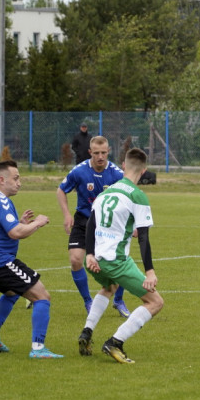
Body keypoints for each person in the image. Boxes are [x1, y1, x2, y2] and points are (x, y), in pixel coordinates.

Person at [77, 147, 164, 364]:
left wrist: (89, 254)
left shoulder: (106, 193)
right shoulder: (137, 195)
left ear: (123, 166)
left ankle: (87, 332)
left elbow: (91, 224)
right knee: (155, 302)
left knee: (109, 287)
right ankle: (116, 342)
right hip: (115, 261)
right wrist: (150, 271)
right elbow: (143, 237)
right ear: (143, 171)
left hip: (95, 259)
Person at [0, 160, 62, 358]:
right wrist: (38, 223)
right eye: (16, 178)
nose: (19, 182)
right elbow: (16, 233)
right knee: (42, 296)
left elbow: (7, 230)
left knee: (12, 292)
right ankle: (38, 349)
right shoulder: (0, 200)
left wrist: (22, 223)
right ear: (2, 180)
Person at [56, 135, 131, 319]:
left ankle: (118, 300)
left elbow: (128, 199)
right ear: (90, 152)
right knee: (75, 260)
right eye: (96, 153)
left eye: (103, 153)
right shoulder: (79, 171)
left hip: (108, 224)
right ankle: (88, 301)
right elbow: (61, 190)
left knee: (118, 262)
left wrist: (132, 224)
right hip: (83, 221)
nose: (100, 156)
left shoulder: (116, 174)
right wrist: (66, 215)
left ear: (108, 151)